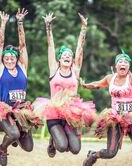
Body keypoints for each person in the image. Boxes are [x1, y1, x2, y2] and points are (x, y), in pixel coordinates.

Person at [35, 12, 95, 157]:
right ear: (59, 59)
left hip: (71, 114)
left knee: (74, 150)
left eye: (69, 55)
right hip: (54, 114)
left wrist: (84, 28)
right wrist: (48, 26)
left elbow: (80, 49)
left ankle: (61, 137)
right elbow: (50, 46)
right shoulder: (53, 69)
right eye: (64, 55)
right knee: (61, 147)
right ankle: (52, 142)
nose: (67, 56)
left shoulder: (75, 70)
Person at [0, 9, 41, 166]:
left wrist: (20, 22)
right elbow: (0, 44)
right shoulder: (0, 69)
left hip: (21, 111)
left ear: (16, 58)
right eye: (6, 58)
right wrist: (3, 23)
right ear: (3, 59)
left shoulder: (22, 67)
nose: (9, 60)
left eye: (12, 57)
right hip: (5, 111)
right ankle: (3, 148)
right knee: (13, 134)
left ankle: (15, 135)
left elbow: (23, 44)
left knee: (28, 147)